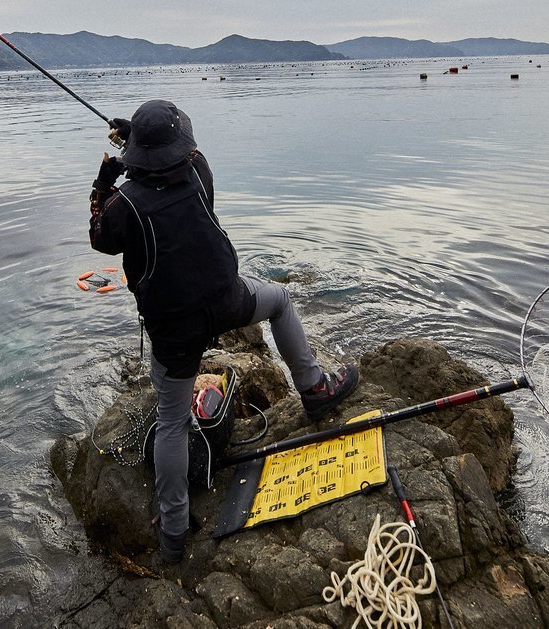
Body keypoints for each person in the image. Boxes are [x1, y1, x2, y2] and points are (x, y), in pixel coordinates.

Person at [88, 99, 358, 563]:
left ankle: (174, 532)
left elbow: (99, 235)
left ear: (136, 156)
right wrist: (137, 136)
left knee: (172, 422)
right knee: (281, 300)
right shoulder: (199, 172)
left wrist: (105, 178)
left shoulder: (124, 206)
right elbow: (180, 155)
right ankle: (313, 388)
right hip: (226, 299)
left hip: (174, 328)